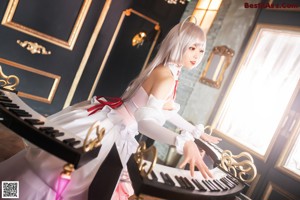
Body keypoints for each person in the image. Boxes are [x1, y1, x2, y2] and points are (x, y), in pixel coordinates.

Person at [0, 20, 221, 200]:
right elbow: (145, 122)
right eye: (192, 48)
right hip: (111, 131)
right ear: (179, 44)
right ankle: (8, 194)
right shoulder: (165, 76)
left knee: (60, 174)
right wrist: (182, 142)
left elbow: (166, 110)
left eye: (201, 50)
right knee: (58, 175)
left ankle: (7, 192)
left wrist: (195, 132)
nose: (197, 55)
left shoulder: (169, 72)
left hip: (115, 124)